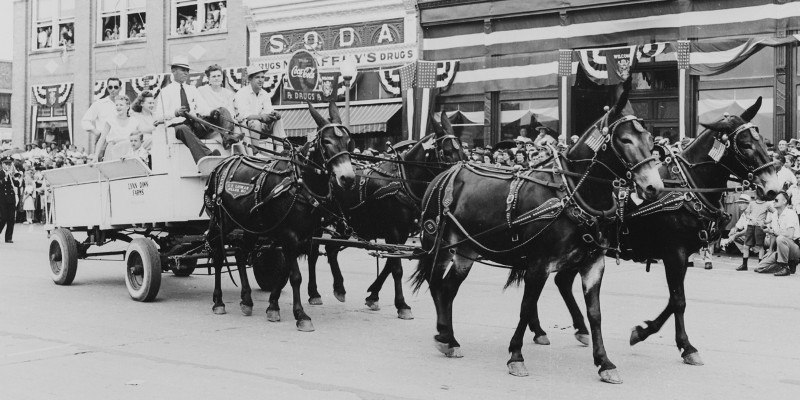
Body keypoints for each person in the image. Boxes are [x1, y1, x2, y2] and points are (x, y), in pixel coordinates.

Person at [154, 56, 220, 163]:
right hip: (176, 127)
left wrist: (213, 112)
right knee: (183, 128)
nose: (186, 73)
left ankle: (230, 139)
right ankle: (207, 157)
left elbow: (204, 109)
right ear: (173, 70)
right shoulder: (165, 91)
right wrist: (175, 112)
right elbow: (159, 116)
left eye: (187, 71)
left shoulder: (192, 89)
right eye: (183, 70)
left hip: (194, 125)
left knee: (222, 111)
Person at [234, 65, 285, 152]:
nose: (261, 80)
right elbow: (245, 116)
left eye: (262, 77)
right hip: (246, 126)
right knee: (256, 123)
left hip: (261, 126)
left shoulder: (264, 93)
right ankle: (254, 151)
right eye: (257, 77)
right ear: (250, 79)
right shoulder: (242, 93)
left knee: (278, 119)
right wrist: (261, 117)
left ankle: (280, 149)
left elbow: (268, 111)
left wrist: (273, 114)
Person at [754, 191, 800, 276]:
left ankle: (785, 266)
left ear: (784, 201)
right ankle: (785, 265)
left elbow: (790, 235)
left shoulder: (790, 213)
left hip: (795, 247)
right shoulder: (774, 214)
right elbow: (773, 235)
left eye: (776, 200)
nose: (773, 202)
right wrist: (770, 250)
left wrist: (772, 231)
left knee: (781, 238)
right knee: (759, 268)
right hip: (781, 248)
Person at [82, 77, 122, 152]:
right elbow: (85, 121)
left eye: (116, 87)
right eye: (110, 87)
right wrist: (96, 132)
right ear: (107, 88)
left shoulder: (124, 105)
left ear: (120, 88)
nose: (113, 89)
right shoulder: (99, 104)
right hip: (104, 142)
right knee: (102, 163)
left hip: (120, 141)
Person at [93, 95, 135, 162]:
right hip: (113, 151)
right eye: (117, 105)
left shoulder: (134, 121)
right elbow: (102, 138)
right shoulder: (110, 120)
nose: (118, 107)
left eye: (121, 105)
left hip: (127, 152)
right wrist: (96, 156)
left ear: (127, 106)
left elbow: (137, 138)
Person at [0, 156, 22, 243]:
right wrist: (5, 177)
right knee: (3, 218)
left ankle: (8, 237)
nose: (8, 166)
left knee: (11, 219)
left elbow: (17, 184)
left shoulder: (11, 173)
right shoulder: (1, 173)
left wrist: (15, 177)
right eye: (6, 164)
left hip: (11, 199)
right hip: (2, 199)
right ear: (2, 164)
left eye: (10, 164)